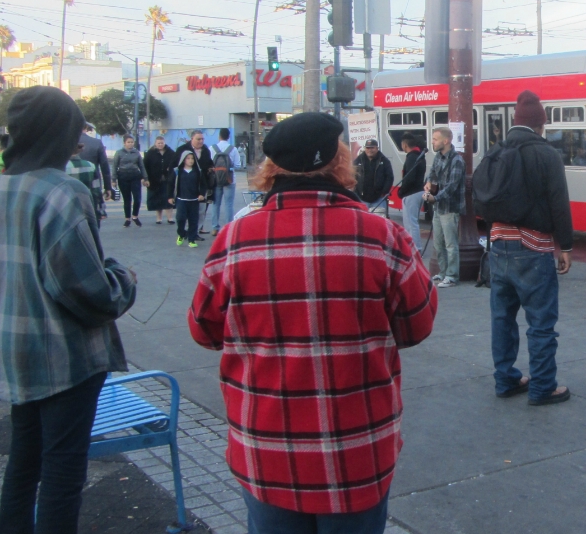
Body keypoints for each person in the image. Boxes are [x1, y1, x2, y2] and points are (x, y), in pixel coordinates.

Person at [188, 112, 437, 534]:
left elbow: (204, 331)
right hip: (357, 448)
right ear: (341, 163)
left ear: (271, 169)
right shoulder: (381, 236)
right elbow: (417, 326)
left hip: (266, 446)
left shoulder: (234, 239)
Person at [0, 86, 137, 534]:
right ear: (59, 133)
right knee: (63, 473)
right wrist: (123, 278)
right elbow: (86, 291)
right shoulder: (63, 191)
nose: (78, 141)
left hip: (13, 352)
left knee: (23, 463)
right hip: (65, 358)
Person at [489, 90, 573, 405]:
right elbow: (558, 203)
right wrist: (564, 245)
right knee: (540, 321)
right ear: (539, 124)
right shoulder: (547, 154)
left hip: (498, 244)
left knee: (502, 318)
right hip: (533, 247)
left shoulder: (495, 151)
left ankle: (506, 380)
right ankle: (542, 387)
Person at [423, 127, 466, 288]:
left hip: (450, 207)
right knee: (438, 243)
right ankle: (442, 272)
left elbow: (451, 186)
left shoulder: (457, 160)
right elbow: (432, 173)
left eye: (435, 139)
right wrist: (428, 184)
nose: (432, 142)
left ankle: (452, 275)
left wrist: (435, 197)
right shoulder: (438, 157)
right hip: (438, 207)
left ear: (445, 141)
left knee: (450, 243)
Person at [173, 130, 214, 239]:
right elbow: (175, 166)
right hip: (185, 186)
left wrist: (211, 168)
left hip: (201, 184)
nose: (201, 141)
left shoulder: (205, 150)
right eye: (198, 139)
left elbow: (209, 162)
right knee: (183, 214)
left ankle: (194, 233)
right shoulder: (182, 150)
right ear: (192, 139)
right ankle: (183, 232)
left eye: (202, 139)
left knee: (201, 211)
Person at [168, 150, 206, 248]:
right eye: (188, 158)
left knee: (193, 220)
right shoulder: (177, 171)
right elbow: (171, 184)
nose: (191, 160)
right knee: (180, 219)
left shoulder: (198, 171)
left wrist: (202, 194)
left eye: (192, 158)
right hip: (181, 199)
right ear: (183, 160)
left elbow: (203, 184)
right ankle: (181, 234)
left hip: (194, 200)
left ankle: (191, 239)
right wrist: (170, 196)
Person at [112, 134, 149, 228]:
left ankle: (135, 216)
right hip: (123, 176)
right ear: (124, 143)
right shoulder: (119, 153)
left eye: (132, 142)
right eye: (128, 142)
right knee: (127, 199)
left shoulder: (136, 153)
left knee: (137, 198)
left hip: (135, 176)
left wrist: (145, 178)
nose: (130, 144)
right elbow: (114, 166)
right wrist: (114, 179)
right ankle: (127, 218)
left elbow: (141, 166)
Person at [79, 123, 112, 225]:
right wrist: (108, 188)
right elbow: (105, 167)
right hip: (93, 185)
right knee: (94, 214)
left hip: (72, 184)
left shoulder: (67, 142)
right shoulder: (96, 143)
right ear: (86, 128)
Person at [210, 127, 241, 236]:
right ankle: (228, 227)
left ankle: (215, 227)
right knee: (229, 204)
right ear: (229, 137)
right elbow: (238, 165)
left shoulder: (212, 148)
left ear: (219, 136)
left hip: (216, 179)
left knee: (216, 204)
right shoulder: (233, 149)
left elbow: (210, 164)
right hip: (229, 180)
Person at [398, 132, 426, 250]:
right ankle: (413, 247)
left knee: (410, 223)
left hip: (411, 193)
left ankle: (415, 248)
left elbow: (409, 178)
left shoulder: (412, 157)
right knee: (411, 223)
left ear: (404, 144)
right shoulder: (418, 156)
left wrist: (402, 191)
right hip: (417, 192)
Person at [353, 138, 394, 212]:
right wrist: (356, 192)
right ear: (365, 148)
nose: (370, 150)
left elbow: (389, 177)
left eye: (372, 147)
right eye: (368, 148)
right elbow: (352, 175)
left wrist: (384, 192)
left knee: (379, 221)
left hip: (379, 199)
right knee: (363, 222)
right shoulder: (358, 160)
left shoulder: (384, 161)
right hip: (361, 199)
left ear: (377, 148)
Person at [144, 136, 176, 224]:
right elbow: (145, 166)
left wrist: (171, 169)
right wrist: (145, 179)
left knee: (168, 198)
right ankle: (159, 218)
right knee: (157, 199)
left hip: (167, 179)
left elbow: (175, 163)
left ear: (164, 143)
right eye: (158, 143)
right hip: (154, 180)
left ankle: (170, 218)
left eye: (162, 143)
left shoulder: (170, 152)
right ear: (155, 143)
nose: (160, 145)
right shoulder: (150, 153)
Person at [66, 142, 99, 215]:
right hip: (87, 205)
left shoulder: (62, 167)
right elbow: (96, 189)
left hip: (69, 207)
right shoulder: (90, 166)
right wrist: (100, 209)